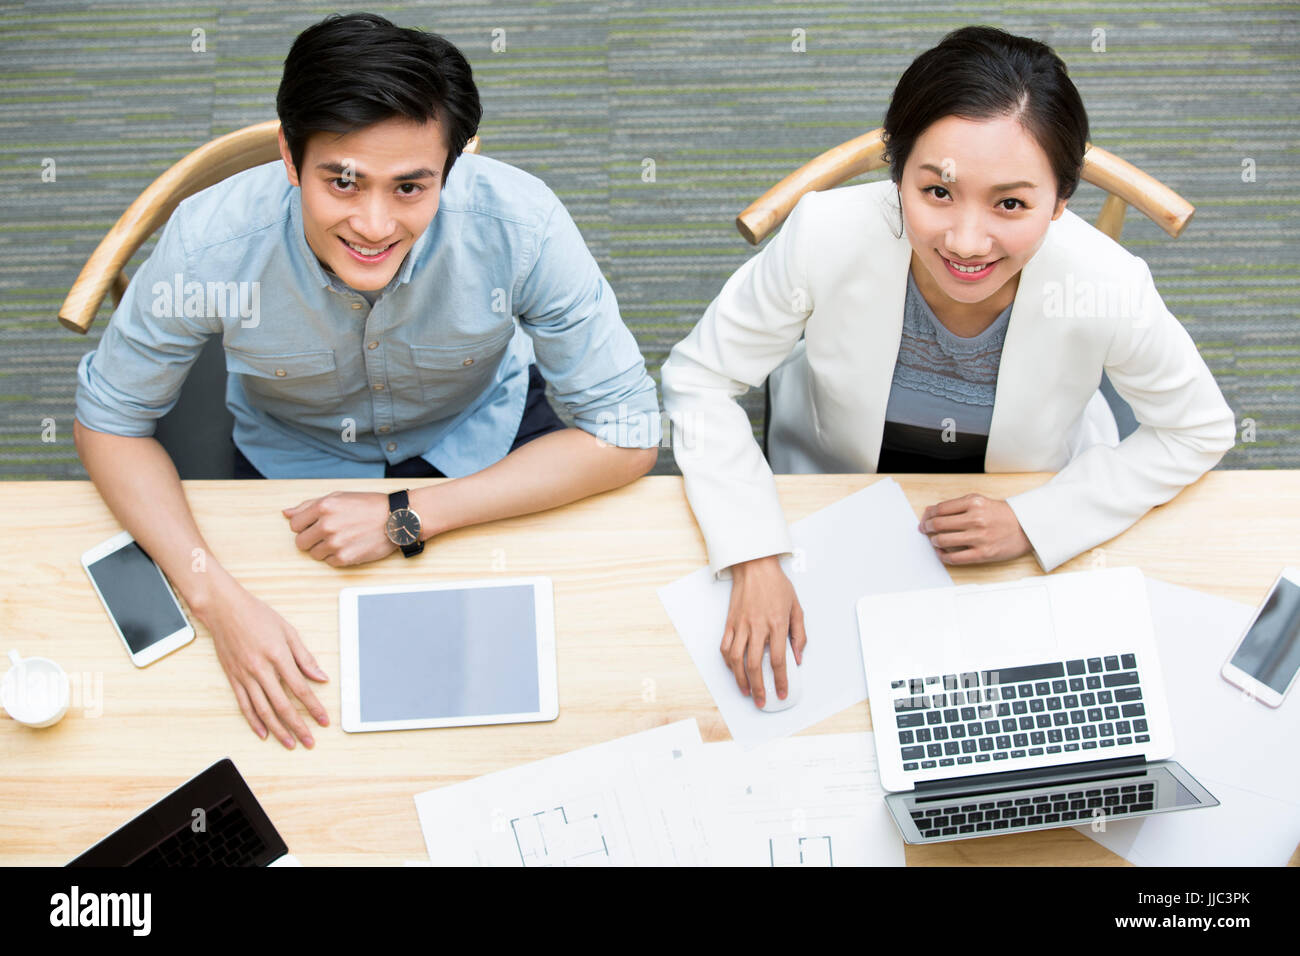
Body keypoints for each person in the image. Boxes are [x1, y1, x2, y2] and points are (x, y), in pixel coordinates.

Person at [73, 13, 661, 749]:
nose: (375, 225)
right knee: (308, 705)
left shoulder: (522, 223)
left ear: (454, 163)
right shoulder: (211, 244)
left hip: (484, 439)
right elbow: (109, 422)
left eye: (411, 187)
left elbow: (629, 432)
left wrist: (407, 516)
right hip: (294, 460)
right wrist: (217, 603)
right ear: (290, 156)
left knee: (560, 682)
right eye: (342, 182)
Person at [660, 25, 1235, 711]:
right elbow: (699, 379)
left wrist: (1037, 519)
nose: (966, 243)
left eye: (1011, 204)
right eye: (937, 192)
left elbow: (1198, 430)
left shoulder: (1107, 280)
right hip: (835, 490)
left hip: (1018, 504)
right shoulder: (825, 234)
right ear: (896, 173)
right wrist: (753, 551)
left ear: (1061, 200)